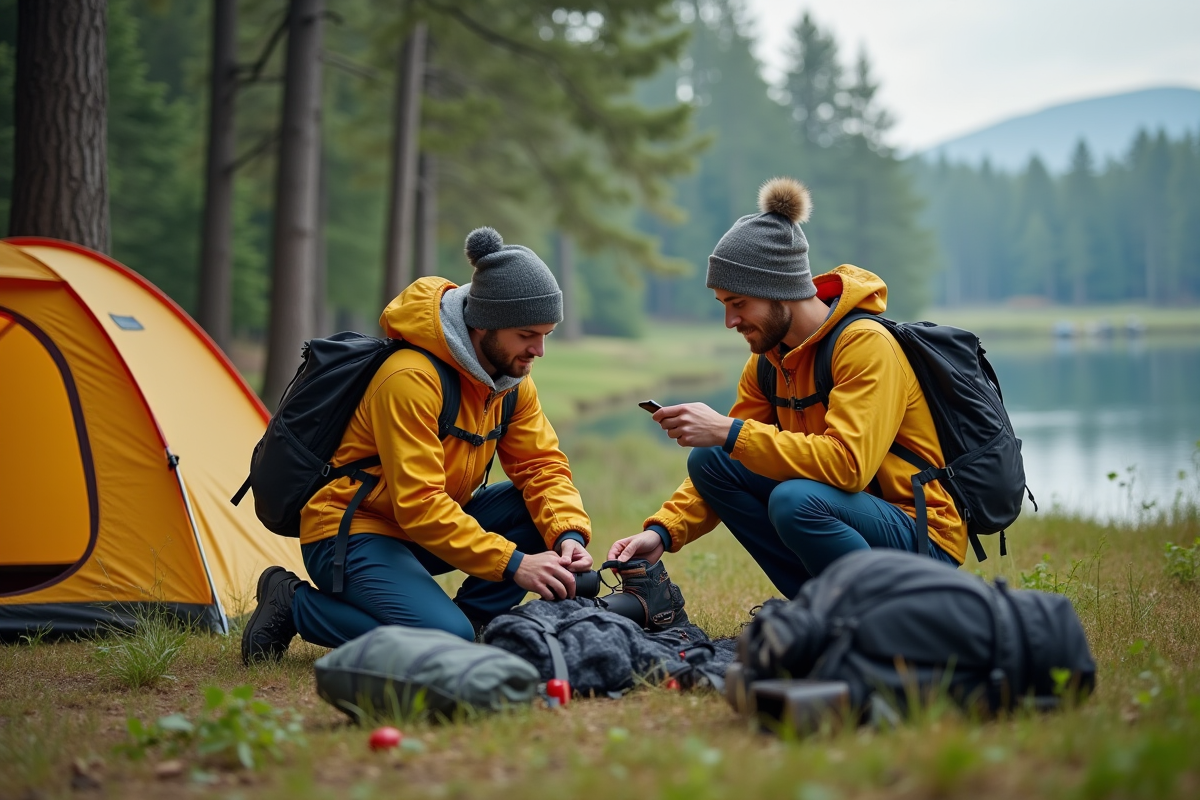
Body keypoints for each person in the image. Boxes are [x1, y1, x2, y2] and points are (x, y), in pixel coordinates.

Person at [242, 227, 593, 664]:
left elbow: (542, 467)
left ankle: (471, 627)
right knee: (446, 639)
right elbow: (420, 503)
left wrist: (568, 535)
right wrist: (515, 563)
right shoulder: (410, 379)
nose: (538, 350)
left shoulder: (511, 383)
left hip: (419, 532)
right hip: (351, 532)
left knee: (536, 512)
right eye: (527, 335)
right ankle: (294, 604)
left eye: (546, 334)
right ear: (485, 322)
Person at [607, 177, 964, 599]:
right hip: (844, 515)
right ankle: (819, 612)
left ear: (780, 290)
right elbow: (731, 456)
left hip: (920, 537)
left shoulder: (865, 344)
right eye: (724, 305)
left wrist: (728, 430)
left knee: (795, 500)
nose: (730, 321)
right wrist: (664, 532)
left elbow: (849, 466)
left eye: (739, 304)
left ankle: (881, 619)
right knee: (711, 461)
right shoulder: (766, 363)